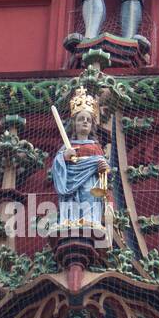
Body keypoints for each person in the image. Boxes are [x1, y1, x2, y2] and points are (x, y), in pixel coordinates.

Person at [50, 89, 111, 233]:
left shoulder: (95, 147)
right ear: (74, 124)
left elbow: (103, 169)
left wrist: (103, 167)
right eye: (81, 119)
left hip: (90, 182)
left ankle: (90, 221)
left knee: (88, 199)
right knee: (72, 202)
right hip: (70, 182)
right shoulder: (67, 146)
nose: (85, 122)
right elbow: (56, 167)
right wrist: (64, 157)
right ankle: (70, 221)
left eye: (88, 120)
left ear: (91, 126)